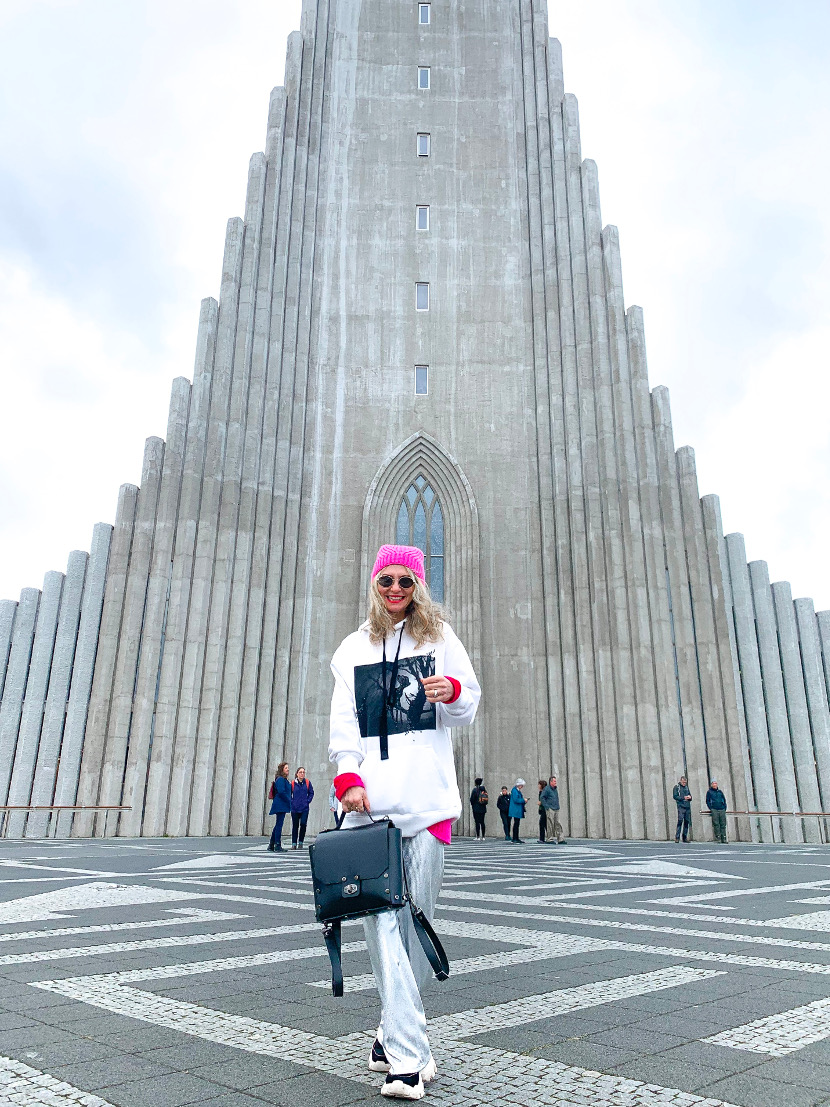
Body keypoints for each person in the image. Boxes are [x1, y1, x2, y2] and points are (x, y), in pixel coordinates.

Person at [329, 543, 481, 1100]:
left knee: (414, 929)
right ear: (375, 583)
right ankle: (409, 1060)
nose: (395, 590)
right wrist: (348, 777)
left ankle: (389, 1033)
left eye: (406, 581)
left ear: (419, 586)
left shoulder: (439, 639)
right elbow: (345, 727)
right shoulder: (352, 649)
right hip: (371, 812)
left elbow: (469, 704)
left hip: (429, 806)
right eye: (386, 580)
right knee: (383, 928)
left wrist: (454, 693)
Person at [267, 762, 291, 851]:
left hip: (282, 803)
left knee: (278, 824)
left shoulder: (283, 779)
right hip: (280, 804)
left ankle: (271, 844)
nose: (288, 769)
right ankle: (277, 845)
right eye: (286, 768)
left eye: (288, 768)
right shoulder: (280, 779)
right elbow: (281, 791)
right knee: (279, 825)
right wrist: (289, 800)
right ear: (282, 770)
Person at [290, 766, 314, 849]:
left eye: (303, 772)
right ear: (297, 774)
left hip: (304, 808)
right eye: (300, 772)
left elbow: (311, 793)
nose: (302, 774)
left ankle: (301, 841)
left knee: (303, 824)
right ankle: (294, 843)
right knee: (295, 825)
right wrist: (292, 802)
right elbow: (289, 794)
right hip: (295, 808)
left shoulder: (307, 782)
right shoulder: (293, 783)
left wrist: (307, 801)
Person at [540, 775, 564, 843]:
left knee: (558, 823)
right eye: (554, 781)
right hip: (550, 808)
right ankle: (549, 838)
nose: (555, 782)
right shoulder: (547, 789)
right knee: (550, 824)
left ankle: (561, 839)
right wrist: (546, 806)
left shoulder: (555, 789)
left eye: (555, 781)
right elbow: (542, 797)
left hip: (556, 808)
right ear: (551, 782)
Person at [672, 775, 692, 843]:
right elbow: (675, 796)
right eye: (683, 782)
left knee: (687, 822)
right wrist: (683, 798)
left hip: (687, 806)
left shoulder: (686, 787)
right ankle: (677, 837)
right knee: (680, 821)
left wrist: (689, 797)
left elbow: (690, 795)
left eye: (685, 782)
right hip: (681, 806)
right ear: (681, 781)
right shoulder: (677, 787)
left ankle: (684, 837)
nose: (684, 783)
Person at [508, 778, 526, 843]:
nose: (522, 787)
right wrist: (523, 800)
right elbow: (516, 800)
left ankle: (516, 837)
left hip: (517, 809)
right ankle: (515, 838)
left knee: (517, 824)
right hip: (516, 809)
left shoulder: (516, 790)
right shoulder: (515, 791)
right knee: (516, 824)